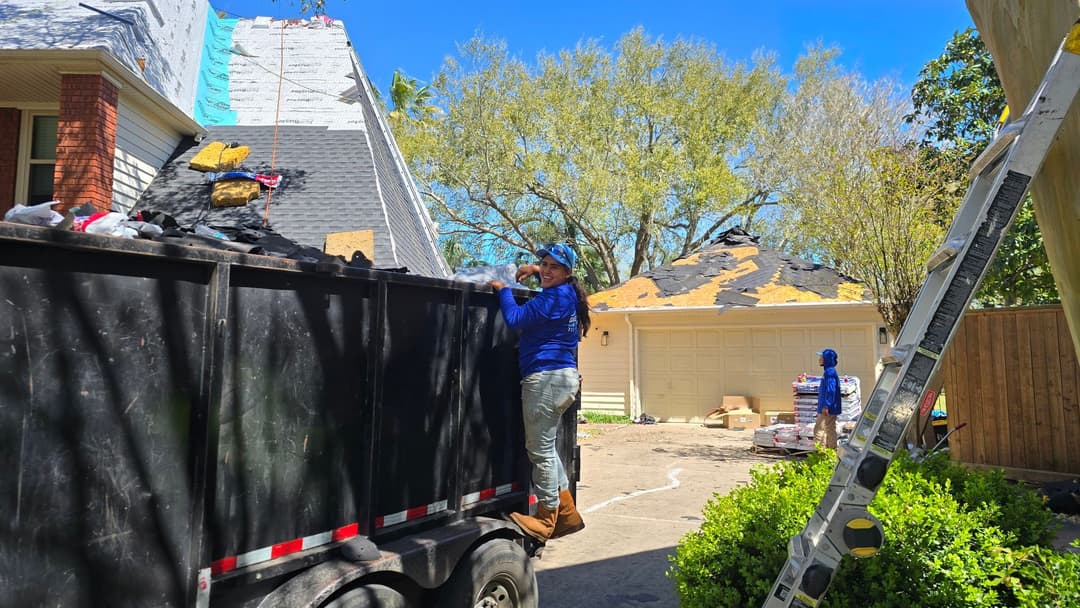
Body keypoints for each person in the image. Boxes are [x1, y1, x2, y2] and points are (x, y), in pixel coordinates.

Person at [487, 243, 591, 542]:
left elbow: (516, 320)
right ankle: (567, 514)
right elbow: (553, 280)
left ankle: (546, 519)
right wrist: (535, 272)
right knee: (549, 448)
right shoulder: (569, 292)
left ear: (566, 272)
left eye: (553, 266)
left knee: (540, 451)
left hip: (545, 380)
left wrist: (502, 289)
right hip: (562, 378)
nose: (546, 270)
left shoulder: (553, 299)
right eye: (543, 264)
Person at [815, 348, 842, 449]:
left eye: (821, 357)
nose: (819, 359)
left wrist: (826, 405)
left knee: (819, 430)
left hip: (827, 408)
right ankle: (831, 452)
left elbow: (831, 390)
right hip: (829, 406)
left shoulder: (829, 373)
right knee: (830, 429)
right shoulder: (829, 372)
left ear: (826, 359)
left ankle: (820, 455)